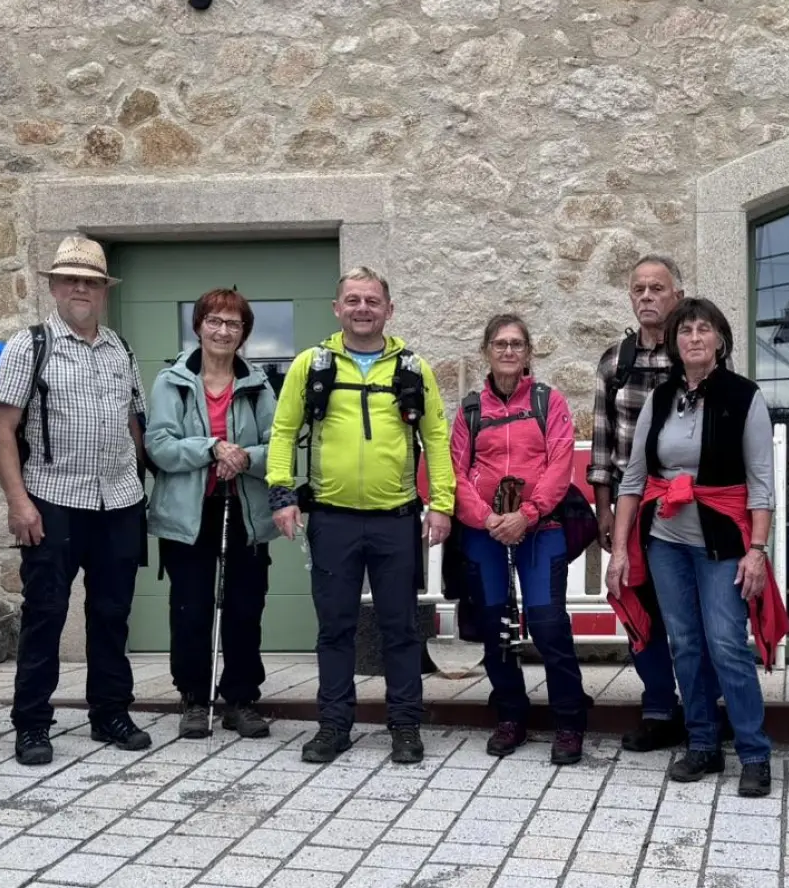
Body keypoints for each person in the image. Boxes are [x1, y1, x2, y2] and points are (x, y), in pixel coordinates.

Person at [267, 265, 454, 765]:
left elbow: (436, 439)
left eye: (372, 301)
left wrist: (443, 504)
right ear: (337, 308)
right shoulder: (312, 364)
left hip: (396, 519)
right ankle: (333, 725)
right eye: (353, 300)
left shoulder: (413, 369)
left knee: (401, 628)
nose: (363, 309)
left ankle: (406, 726)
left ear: (389, 310)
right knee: (334, 626)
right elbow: (283, 433)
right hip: (331, 518)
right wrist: (282, 496)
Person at [607, 298, 787, 798]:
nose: (693, 338)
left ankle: (753, 752)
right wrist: (620, 551)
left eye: (703, 329)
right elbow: (634, 480)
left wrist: (757, 549)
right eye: (684, 330)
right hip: (666, 542)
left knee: (726, 642)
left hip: (724, 543)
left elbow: (760, 485)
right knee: (685, 643)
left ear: (720, 341)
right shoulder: (660, 400)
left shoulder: (744, 396)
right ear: (674, 343)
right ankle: (702, 743)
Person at [0, 235, 151, 766]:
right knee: (46, 613)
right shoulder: (29, 345)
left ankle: (109, 712)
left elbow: (135, 424)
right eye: (71, 280)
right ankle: (32, 723)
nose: (81, 288)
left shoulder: (122, 349)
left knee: (112, 613)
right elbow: (2, 430)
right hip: (53, 499)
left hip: (119, 501)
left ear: (103, 291)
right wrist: (18, 503)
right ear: (55, 287)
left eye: (92, 281)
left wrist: (144, 485)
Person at [589, 253, 721, 752]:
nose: (647, 297)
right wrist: (604, 511)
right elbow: (603, 444)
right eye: (639, 289)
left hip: (690, 508)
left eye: (657, 289)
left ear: (678, 297)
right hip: (632, 508)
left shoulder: (694, 356)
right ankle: (659, 707)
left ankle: (703, 709)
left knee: (696, 614)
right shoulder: (613, 362)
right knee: (640, 610)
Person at [450, 314, 587, 764]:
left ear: (529, 353)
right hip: (485, 532)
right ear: (486, 351)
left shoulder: (550, 401)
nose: (508, 352)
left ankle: (569, 720)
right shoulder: (471, 410)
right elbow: (456, 473)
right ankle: (511, 714)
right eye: (500, 344)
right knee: (495, 628)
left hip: (540, 529)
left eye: (517, 344)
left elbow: (559, 466)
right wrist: (488, 519)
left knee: (548, 625)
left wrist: (526, 515)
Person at [146, 287, 279, 741]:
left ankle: (240, 699)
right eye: (215, 321)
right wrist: (210, 448)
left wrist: (246, 457)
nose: (223, 331)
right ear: (198, 325)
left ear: (244, 334)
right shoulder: (172, 381)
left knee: (245, 608)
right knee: (190, 609)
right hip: (189, 514)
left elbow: (276, 447)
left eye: (233, 324)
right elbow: (158, 445)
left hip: (244, 512)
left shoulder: (259, 383)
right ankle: (194, 698)